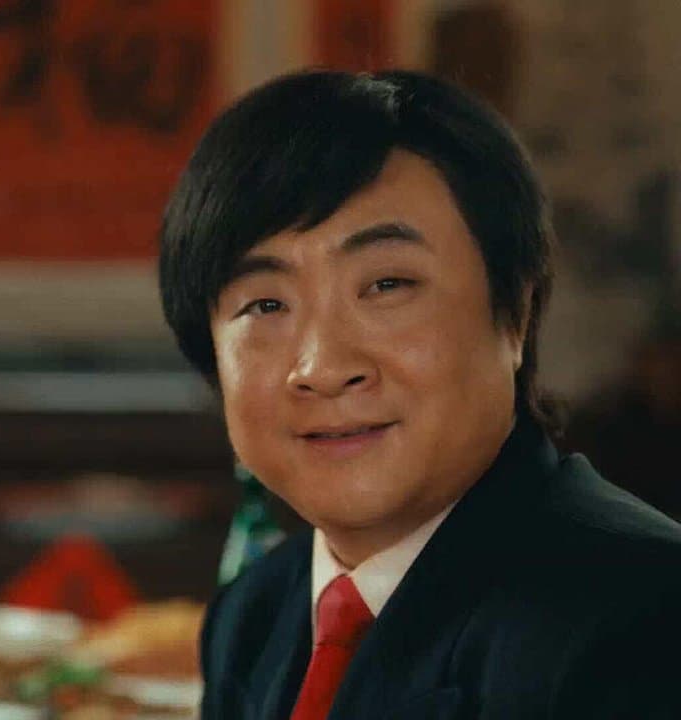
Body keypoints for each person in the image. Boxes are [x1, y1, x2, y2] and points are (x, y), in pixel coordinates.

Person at [158, 69, 681, 719]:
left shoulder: (644, 620)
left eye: (387, 286)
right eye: (265, 304)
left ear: (516, 314)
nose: (322, 367)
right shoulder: (252, 617)